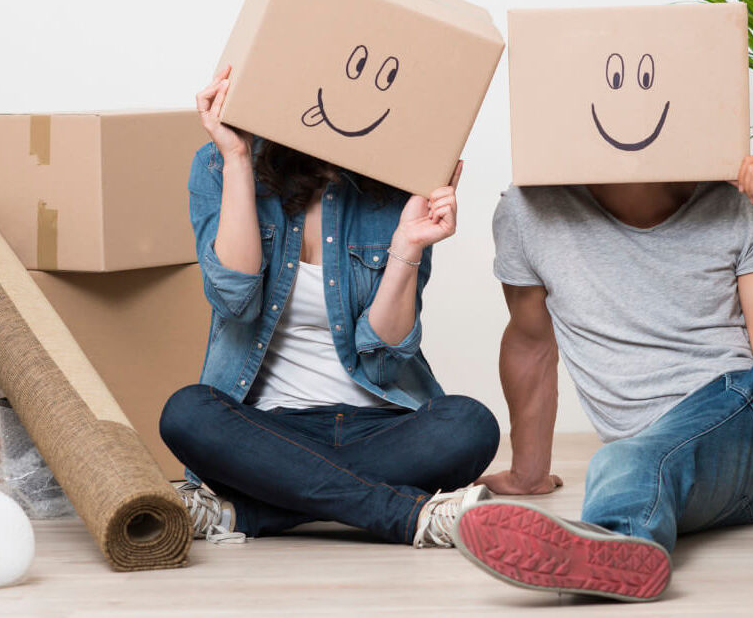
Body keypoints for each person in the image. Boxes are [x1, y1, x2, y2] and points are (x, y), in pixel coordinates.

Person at [454, 157, 753, 601]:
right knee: (628, 459)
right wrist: (528, 473)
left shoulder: (735, 198)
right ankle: (616, 550)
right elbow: (531, 340)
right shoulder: (529, 210)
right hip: (682, 459)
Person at [159, 66, 500, 548]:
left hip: (381, 427)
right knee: (187, 413)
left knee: (470, 425)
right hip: (265, 429)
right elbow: (234, 302)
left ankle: (248, 512)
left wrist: (407, 247)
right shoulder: (218, 165)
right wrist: (237, 159)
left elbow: (383, 357)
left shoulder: (403, 181)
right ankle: (410, 515)